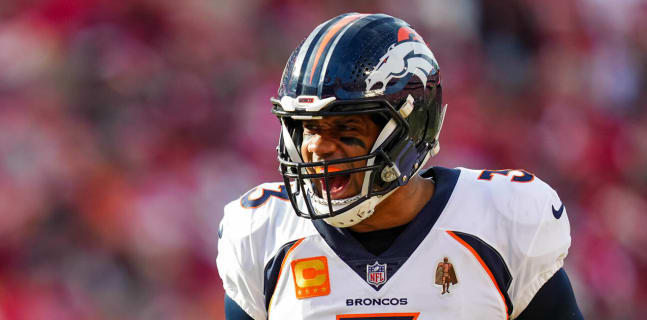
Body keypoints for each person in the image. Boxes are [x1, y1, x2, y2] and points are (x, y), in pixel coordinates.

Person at [217, 13, 582, 320]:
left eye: (345, 128)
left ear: (411, 129)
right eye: (308, 127)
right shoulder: (264, 233)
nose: (317, 147)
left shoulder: (501, 222)